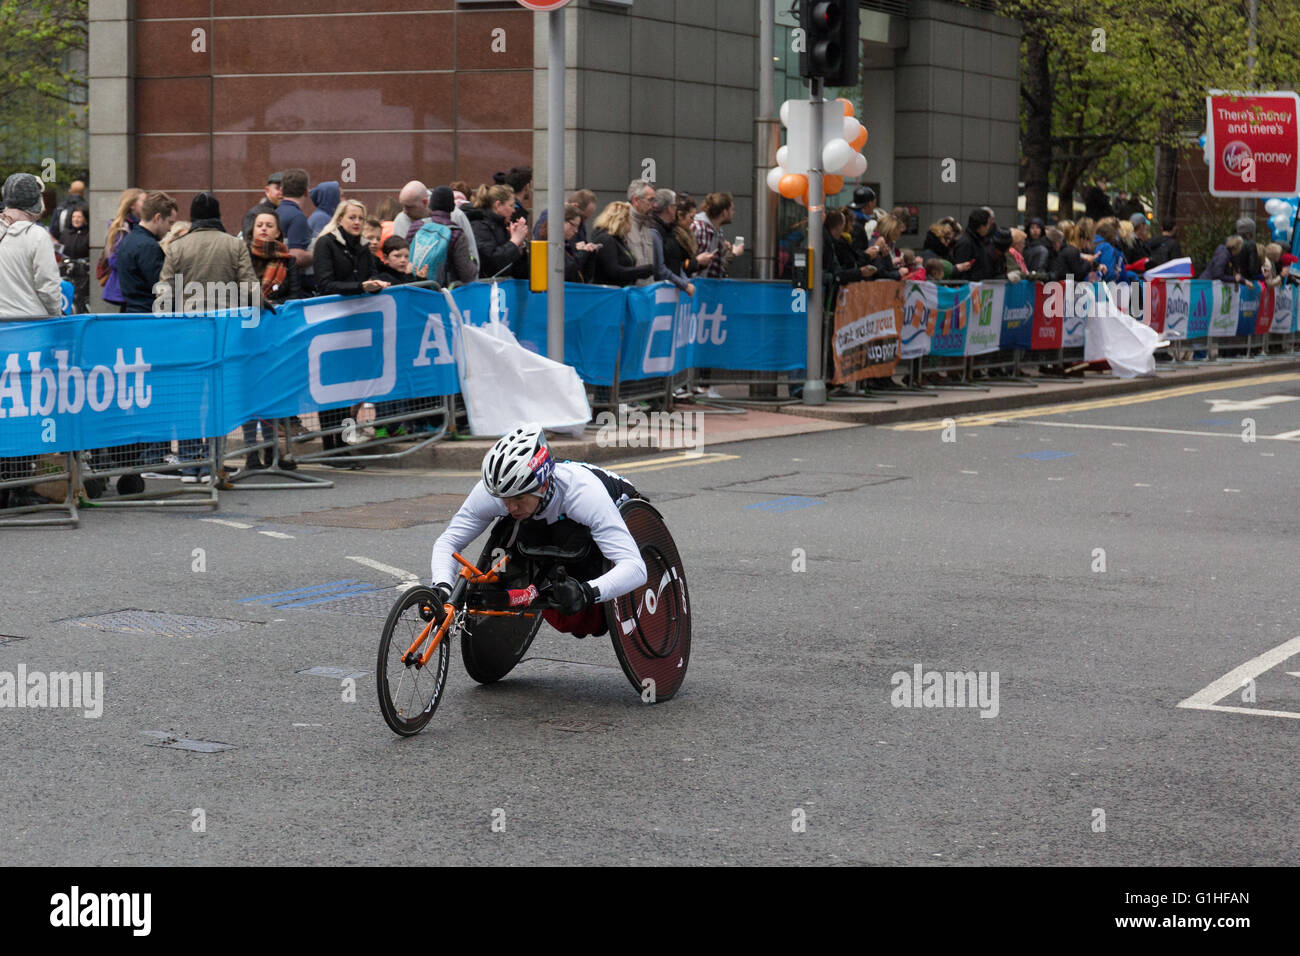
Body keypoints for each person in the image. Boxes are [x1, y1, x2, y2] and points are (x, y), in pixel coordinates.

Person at [428, 424, 647, 639]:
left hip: (616, 503)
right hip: (546, 516)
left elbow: (635, 568)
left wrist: (587, 592)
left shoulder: (583, 495)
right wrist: (442, 586)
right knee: (519, 531)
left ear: (542, 486)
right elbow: (448, 542)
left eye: (519, 498)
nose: (510, 506)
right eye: (504, 498)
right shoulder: (495, 492)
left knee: (587, 617)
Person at [313, 198, 389, 464]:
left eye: (360, 218)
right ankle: (330, 447)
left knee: (350, 390)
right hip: (332, 324)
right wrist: (361, 287)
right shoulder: (326, 243)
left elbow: (371, 275)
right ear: (340, 219)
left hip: (359, 323)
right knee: (332, 389)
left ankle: (342, 446)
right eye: (352, 218)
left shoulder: (364, 248)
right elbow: (325, 284)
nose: (356, 223)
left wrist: (376, 284)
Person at [158, 193, 258, 312]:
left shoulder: (176, 248)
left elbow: (164, 292)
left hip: (189, 321)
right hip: (225, 321)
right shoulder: (236, 245)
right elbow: (249, 288)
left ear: (192, 217)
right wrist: (265, 307)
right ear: (218, 215)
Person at [0, 173, 62, 318]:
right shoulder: (37, 235)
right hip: (31, 325)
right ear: (36, 201)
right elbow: (48, 287)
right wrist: (57, 315)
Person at [116, 191, 178, 313]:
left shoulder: (128, 240)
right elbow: (161, 287)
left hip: (132, 313)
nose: (170, 229)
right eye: (170, 222)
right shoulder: (149, 246)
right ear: (158, 218)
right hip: (148, 315)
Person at [588, 201, 653, 287]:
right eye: (630, 220)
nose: (630, 225)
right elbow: (613, 272)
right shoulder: (606, 240)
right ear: (622, 221)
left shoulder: (618, 240)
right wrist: (642, 271)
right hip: (609, 293)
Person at [471, 183, 529, 279]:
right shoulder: (479, 226)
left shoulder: (503, 226)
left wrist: (519, 245)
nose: (514, 211)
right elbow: (492, 262)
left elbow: (520, 270)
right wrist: (514, 242)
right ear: (498, 205)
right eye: (511, 205)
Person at [101, 187, 145, 309]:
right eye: (143, 201)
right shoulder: (121, 227)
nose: (148, 205)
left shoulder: (142, 225)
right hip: (126, 287)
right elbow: (114, 260)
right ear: (132, 205)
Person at [648, 188, 694, 295]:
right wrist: (684, 284)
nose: (677, 209)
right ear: (669, 208)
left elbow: (677, 263)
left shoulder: (671, 230)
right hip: (660, 293)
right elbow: (660, 269)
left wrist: (684, 281)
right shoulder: (655, 231)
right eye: (675, 206)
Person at [277, 168, 315, 290]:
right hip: (292, 287)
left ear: (282, 191)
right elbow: (296, 256)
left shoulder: (275, 213)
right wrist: (319, 254)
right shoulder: (297, 217)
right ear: (306, 192)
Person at [690, 192, 740, 278]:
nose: (733, 213)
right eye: (731, 209)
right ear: (724, 212)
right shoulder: (697, 227)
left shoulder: (718, 232)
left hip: (708, 285)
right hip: (694, 284)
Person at [625, 178, 659, 279]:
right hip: (630, 291)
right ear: (636, 200)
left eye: (654, 200)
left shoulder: (649, 224)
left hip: (648, 290)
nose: (655, 205)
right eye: (650, 200)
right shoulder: (622, 223)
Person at [60, 207, 92, 313]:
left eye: (79, 217)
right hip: (67, 272)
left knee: (81, 300)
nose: (76, 219)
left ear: (85, 219)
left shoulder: (88, 234)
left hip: (83, 274)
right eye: (74, 217)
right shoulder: (66, 233)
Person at [948, 208, 994, 280]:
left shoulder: (980, 241)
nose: (989, 228)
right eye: (988, 224)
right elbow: (961, 271)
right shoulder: (966, 244)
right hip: (970, 287)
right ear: (981, 226)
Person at [240, 171, 283, 239]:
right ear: (267, 190)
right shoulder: (254, 213)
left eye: (285, 189)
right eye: (277, 188)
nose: (282, 193)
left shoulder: (291, 212)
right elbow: (247, 240)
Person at [48, 180, 87, 244]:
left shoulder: (60, 208)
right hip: (81, 245)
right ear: (83, 192)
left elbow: (52, 229)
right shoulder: (86, 208)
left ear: (70, 191)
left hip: (61, 244)